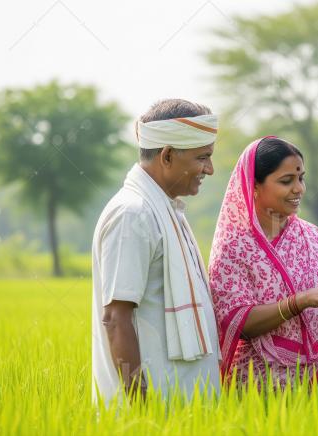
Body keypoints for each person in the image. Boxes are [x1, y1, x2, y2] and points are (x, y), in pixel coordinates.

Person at [209, 136, 318, 391]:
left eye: (301, 178)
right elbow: (237, 322)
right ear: (254, 186)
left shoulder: (312, 237)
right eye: (286, 181)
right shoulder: (235, 246)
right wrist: (300, 301)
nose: (299, 189)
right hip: (258, 386)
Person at [91, 99, 221, 402]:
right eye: (203, 158)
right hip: (154, 414)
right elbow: (115, 318)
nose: (210, 169)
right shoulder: (133, 214)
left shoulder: (167, 211)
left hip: (184, 413)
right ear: (167, 156)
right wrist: (142, 409)